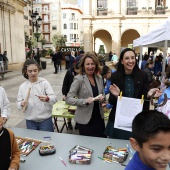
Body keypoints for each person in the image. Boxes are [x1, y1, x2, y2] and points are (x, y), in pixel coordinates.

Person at [105, 48, 162, 139]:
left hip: (136, 119)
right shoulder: (115, 76)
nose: (130, 61)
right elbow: (111, 101)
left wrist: (149, 94)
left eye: (132, 58)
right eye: (127, 58)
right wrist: (117, 96)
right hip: (120, 119)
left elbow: (144, 97)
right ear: (122, 61)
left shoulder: (143, 75)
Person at [66, 52, 106, 137]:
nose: (90, 67)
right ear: (83, 65)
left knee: (100, 144)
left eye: (92, 64)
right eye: (87, 64)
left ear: (96, 65)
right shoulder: (79, 79)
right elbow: (68, 99)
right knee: (88, 146)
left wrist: (103, 98)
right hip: (85, 120)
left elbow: (103, 94)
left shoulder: (99, 78)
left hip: (99, 118)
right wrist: (85, 101)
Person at [17, 60, 57, 132]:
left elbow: (54, 98)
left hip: (45, 120)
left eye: (35, 70)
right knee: (33, 142)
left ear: (38, 70)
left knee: (48, 141)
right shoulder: (23, 86)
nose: (33, 73)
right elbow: (19, 102)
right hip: (30, 121)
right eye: (30, 71)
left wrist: (48, 98)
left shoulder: (44, 83)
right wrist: (22, 104)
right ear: (26, 72)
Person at [62, 62, 80, 130]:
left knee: (78, 109)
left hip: (78, 94)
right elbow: (65, 83)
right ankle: (69, 123)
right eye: (77, 70)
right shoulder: (69, 72)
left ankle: (77, 123)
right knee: (69, 109)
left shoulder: (81, 73)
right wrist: (65, 94)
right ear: (75, 68)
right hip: (70, 93)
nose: (79, 72)